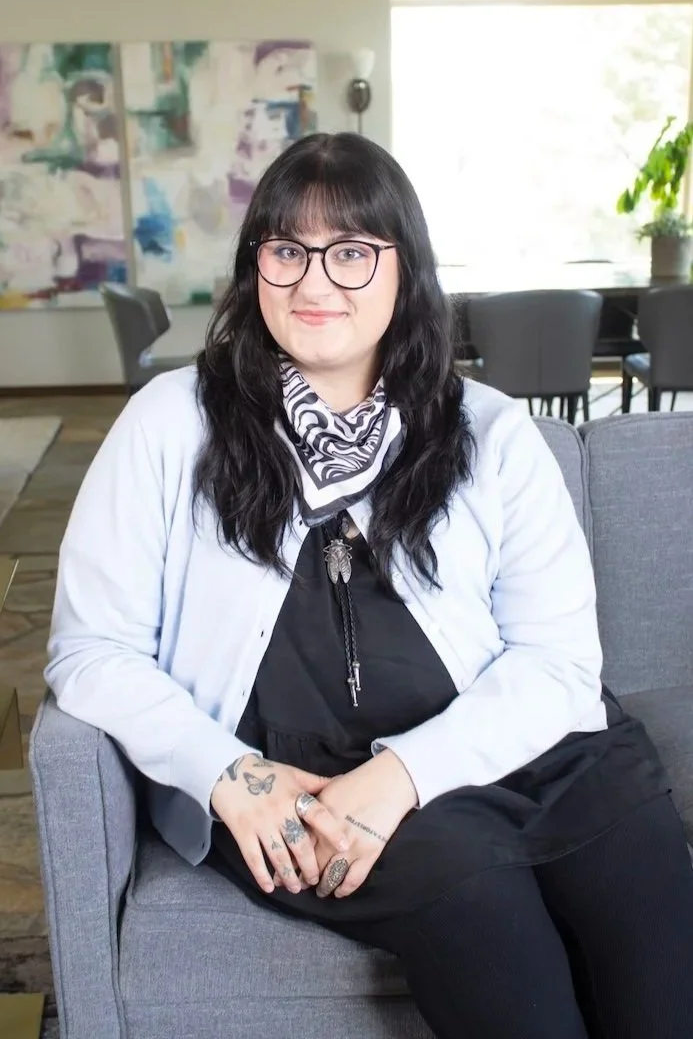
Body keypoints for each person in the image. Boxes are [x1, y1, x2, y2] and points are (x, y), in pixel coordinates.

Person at [45, 132, 693, 1039]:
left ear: (404, 270)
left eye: (351, 253)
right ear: (253, 267)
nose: (315, 284)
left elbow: (556, 662)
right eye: (287, 251)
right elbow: (90, 651)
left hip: (527, 752)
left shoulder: (490, 432)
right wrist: (225, 773)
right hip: (305, 777)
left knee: (662, 953)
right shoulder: (169, 425)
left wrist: (403, 775)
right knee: (493, 933)